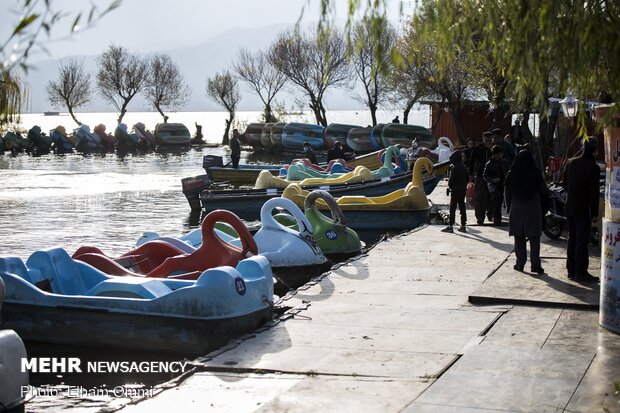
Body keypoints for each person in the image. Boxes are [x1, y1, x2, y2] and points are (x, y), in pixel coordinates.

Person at [564, 137, 600, 283]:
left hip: (570, 206)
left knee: (572, 239)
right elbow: (594, 193)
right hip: (582, 209)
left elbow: (564, 184)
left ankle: (571, 270)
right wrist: (595, 213)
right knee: (581, 241)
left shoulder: (571, 162)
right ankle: (581, 272)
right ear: (595, 150)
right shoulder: (593, 167)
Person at [505, 149, 547, 274]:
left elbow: (507, 193)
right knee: (534, 238)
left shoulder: (511, 174)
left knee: (519, 238)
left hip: (516, 207)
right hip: (533, 208)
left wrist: (509, 207)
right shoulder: (536, 173)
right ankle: (535, 265)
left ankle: (520, 263)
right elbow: (544, 191)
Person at [468, 131, 493, 224]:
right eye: (486, 140)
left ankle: (491, 214)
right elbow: (472, 161)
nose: (487, 142)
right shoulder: (478, 148)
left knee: (491, 196)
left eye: (489, 140)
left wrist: (491, 150)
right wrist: (470, 174)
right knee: (480, 197)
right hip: (480, 175)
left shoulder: (494, 148)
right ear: (482, 139)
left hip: (492, 176)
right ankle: (480, 217)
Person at [442, 150, 468, 233]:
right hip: (462, 190)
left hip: (455, 191)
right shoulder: (464, 167)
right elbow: (467, 178)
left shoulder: (454, 168)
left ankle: (450, 226)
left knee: (452, 208)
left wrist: (450, 187)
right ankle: (463, 225)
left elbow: (451, 181)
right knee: (462, 208)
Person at [483, 145, 509, 226]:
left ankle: (493, 215)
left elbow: (508, 171)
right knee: (496, 202)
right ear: (495, 154)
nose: (501, 155)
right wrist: (493, 179)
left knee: (500, 202)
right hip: (494, 186)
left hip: (503, 185)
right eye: (500, 153)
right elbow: (485, 175)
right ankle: (497, 219)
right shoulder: (489, 164)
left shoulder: (504, 162)